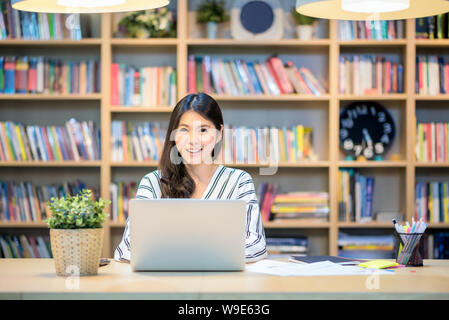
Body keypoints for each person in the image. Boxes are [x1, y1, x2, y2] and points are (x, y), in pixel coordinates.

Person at [114, 93, 267, 263]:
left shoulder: (238, 181)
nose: (193, 140)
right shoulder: (152, 183)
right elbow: (127, 248)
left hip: (222, 283)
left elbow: (257, 244)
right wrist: (209, 252)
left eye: (203, 130)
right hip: (165, 284)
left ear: (218, 133)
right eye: (184, 130)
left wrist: (183, 253)